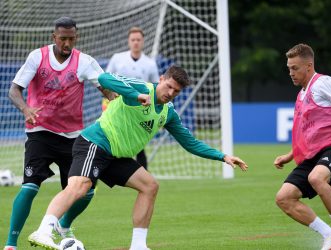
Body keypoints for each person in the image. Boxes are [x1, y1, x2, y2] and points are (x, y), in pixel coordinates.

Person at [27, 65, 248, 250]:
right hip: (96, 142)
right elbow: (104, 78)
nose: (170, 92)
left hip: (116, 155)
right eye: (169, 86)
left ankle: (138, 245)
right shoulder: (141, 88)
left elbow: (190, 143)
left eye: (176, 91)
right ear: (161, 79)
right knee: (80, 187)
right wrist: (135, 95)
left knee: (150, 186)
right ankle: (43, 231)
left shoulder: (167, 113)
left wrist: (223, 156)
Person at [4, 17, 115, 250]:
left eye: (71, 39)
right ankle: (11, 244)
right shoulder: (37, 57)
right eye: (63, 39)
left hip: (74, 137)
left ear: (77, 37)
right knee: (30, 186)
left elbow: (106, 88)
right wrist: (26, 109)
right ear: (53, 37)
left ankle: (63, 226)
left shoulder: (85, 62)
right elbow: (14, 89)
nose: (67, 43)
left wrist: (116, 101)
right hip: (40, 132)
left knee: (86, 190)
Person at [274, 43, 331, 250]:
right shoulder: (301, 95)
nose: (291, 72)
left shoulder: (324, 83)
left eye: (295, 68)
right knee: (284, 198)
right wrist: (289, 156)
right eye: (289, 68)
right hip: (313, 154)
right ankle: (330, 235)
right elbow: (308, 133)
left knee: (316, 178)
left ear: (309, 66)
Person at [104, 26, 160, 170]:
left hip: (140, 110)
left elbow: (155, 88)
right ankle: (98, 176)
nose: (136, 42)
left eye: (138, 40)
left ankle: (144, 177)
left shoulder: (150, 63)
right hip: (118, 107)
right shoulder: (118, 58)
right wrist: (107, 99)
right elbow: (105, 80)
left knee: (139, 143)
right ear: (129, 42)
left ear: (143, 42)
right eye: (133, 39)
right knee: (111, 139)